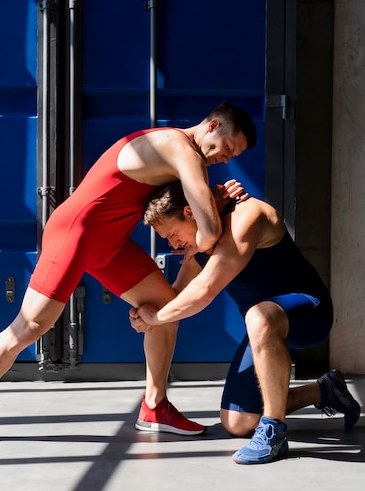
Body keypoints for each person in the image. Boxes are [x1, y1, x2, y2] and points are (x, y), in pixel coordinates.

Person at [0, 101, 257, 452]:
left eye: (233, 156)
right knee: (30, 327)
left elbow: (188, 214)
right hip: (74, 234)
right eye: (228, 148)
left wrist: (216, 200)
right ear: (213, 126)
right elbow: (208, 231)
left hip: (109, 244)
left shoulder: (183, 157)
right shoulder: (178, 148)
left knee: (167, 311)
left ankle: (154, 407)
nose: (226, 159)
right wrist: (216, 211)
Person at [130, 181, 361, 464]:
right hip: (263, 331)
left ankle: (274, 431)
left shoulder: (249, 215)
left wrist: (156, 317)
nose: (173, 244)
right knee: (237, 422)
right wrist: (146, 315)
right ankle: (324, 390)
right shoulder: (201, 246)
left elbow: (203, 291)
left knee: (258, 316)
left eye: (173, 234)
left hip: (307, 315)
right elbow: (178, 296)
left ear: (190, 212)